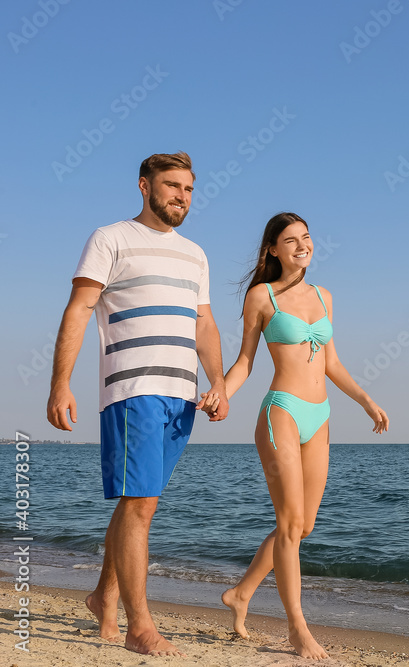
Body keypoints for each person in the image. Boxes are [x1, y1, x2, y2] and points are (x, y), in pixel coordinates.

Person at [46, 151, 229, 657]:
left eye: (189, 189)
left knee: (139, 502)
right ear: (144, 186)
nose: (182, 196)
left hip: (182, 394)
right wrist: (60, 383)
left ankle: (103, 596)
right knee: (141, 504)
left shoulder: (195, 253)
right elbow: (80, 308)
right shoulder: (111, 238)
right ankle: (139, 625)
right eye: (172, 186)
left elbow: (205, 323)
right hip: (133, 389)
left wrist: (219, 382)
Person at [204, 212, 388, 659]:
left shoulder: (324, 296)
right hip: (281, 412)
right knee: (288, 524)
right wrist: (219, 392)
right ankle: (297, 629)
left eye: (306, 238)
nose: (302, 245)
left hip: (320, 416)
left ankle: (241, 593)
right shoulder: (261, 296)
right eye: (291, 240)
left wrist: (365, 400)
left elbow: (332, 362)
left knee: (303, 526)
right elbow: (246, 361)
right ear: (273, 249)